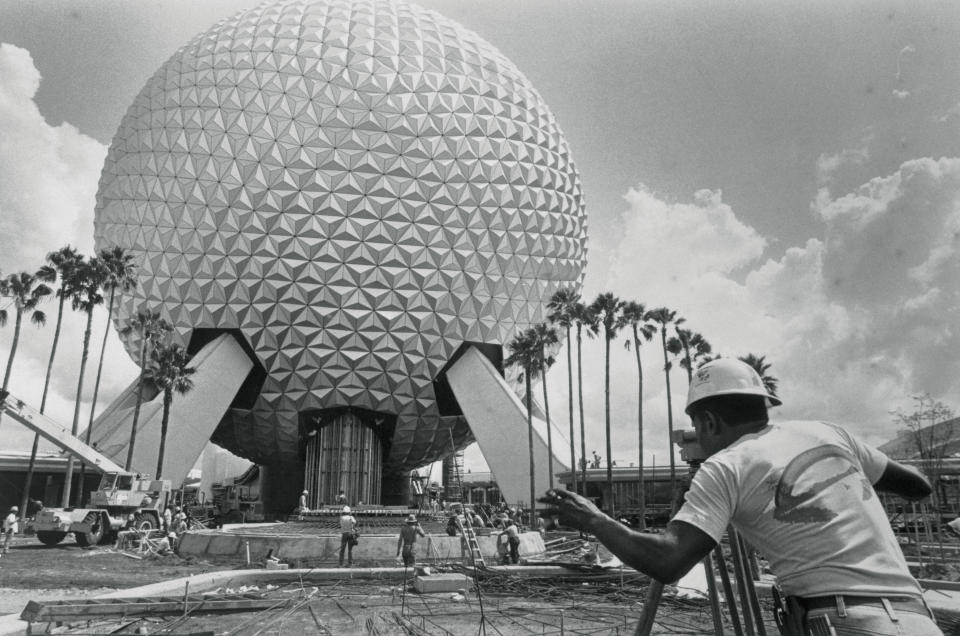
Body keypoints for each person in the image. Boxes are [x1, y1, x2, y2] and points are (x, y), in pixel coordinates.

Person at [541, 358, 942, 636]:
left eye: (697, 429)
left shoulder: (728, 466)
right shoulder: (831, 434)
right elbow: (918, 485)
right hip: (916, 616)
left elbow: (667, 561)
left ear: (708, 421)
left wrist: (594, 519)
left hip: (841, 621)